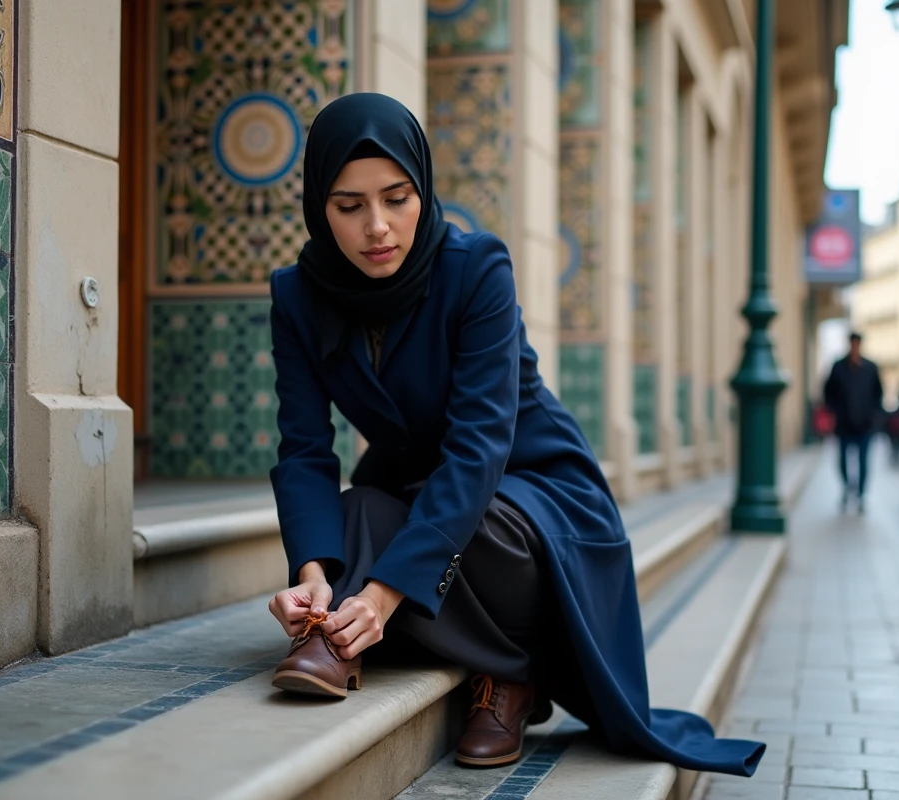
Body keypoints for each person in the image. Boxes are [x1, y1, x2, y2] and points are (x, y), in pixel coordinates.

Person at [263, 93, 764, 776]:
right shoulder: (297, 295)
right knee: (354, 517)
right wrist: (312, 576)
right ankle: (382, 636)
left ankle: (515, 671)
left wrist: (379, 594)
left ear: (423, 190)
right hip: (420, 493)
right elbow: (304, 448)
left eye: (397, 199)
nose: (377, 227)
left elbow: (479, 448)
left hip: (533, 496)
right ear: (319, 205)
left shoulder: (476, 269)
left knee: (469, 536)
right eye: (349, 206)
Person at [824, 332, 884, 513]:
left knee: (863, 462)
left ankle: (860, 495)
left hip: (865, 425)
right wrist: (836, 411)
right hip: (844, 424)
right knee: (842, 461)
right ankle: (847, 487)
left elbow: (878, 394)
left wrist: (873, 414)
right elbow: (828, 392)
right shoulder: (838, 367)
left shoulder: (870, 368)